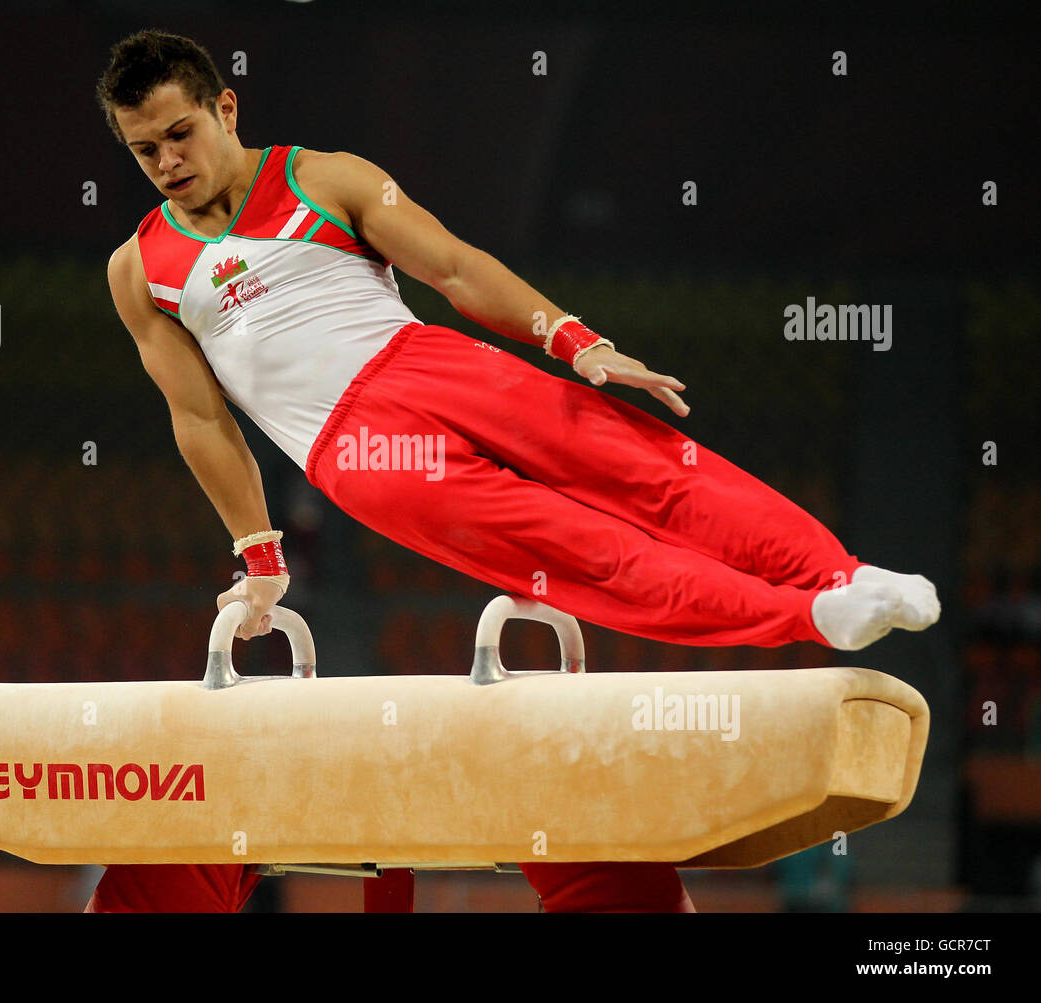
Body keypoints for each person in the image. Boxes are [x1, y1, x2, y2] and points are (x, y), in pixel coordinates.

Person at [84, 30, 939, 914]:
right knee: (592, 556)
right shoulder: (140, 269)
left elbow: (452, 267)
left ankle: (839, 572)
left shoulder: (323, 177)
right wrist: (260, 560)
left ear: (226, 107)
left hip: (432, 361)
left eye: (180, 133)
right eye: (144, 149)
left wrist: (576, 340)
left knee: (650, 466)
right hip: (358, 452)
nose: (166, 161)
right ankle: (807, 616)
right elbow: (201, 418)